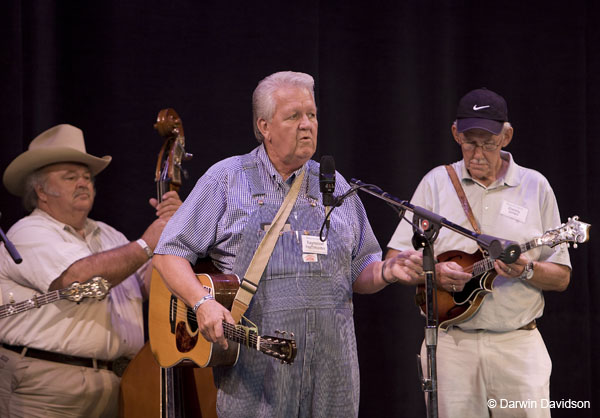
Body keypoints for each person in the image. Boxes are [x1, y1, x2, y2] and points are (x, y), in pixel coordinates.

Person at [152, 71, 423, 418]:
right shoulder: (227, 179)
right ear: (264, 126)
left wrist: (387, 271)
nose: (307, 125)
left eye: (311, 115)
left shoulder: (335, 186)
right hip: (257, 372)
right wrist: (202, 302)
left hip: (333, 373)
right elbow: (168, 253)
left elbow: (359, 272)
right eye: (293, 116)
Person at [386, 88, 572, 417]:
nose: (478, 153)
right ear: (455, 133)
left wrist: (527, 269)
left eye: (489, 142)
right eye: (470, 141)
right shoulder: (435, 183)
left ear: (507, 135)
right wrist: (434, 274)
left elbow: (561, 277)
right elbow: (395, 259)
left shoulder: (536, 186)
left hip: (517, 344)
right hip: (450, 345)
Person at [0, 124, 181, 417]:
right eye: (70, 177)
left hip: (114, 383)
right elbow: (75, 279)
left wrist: (173, 235)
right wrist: (147, 243)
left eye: (87, 177)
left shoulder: (109, 235)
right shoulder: (29, 232)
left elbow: (149, 287)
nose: (83, 183)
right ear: (41, 192)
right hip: (47, 387)